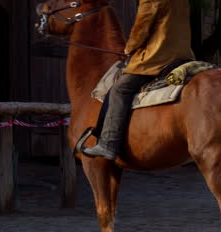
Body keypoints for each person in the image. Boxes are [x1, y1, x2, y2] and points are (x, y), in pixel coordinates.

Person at [82, 0, 195, 160]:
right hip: (182, 56)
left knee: (120, 89)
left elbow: (142, 27)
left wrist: (130, 48)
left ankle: (108, 144)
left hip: (157, 58)